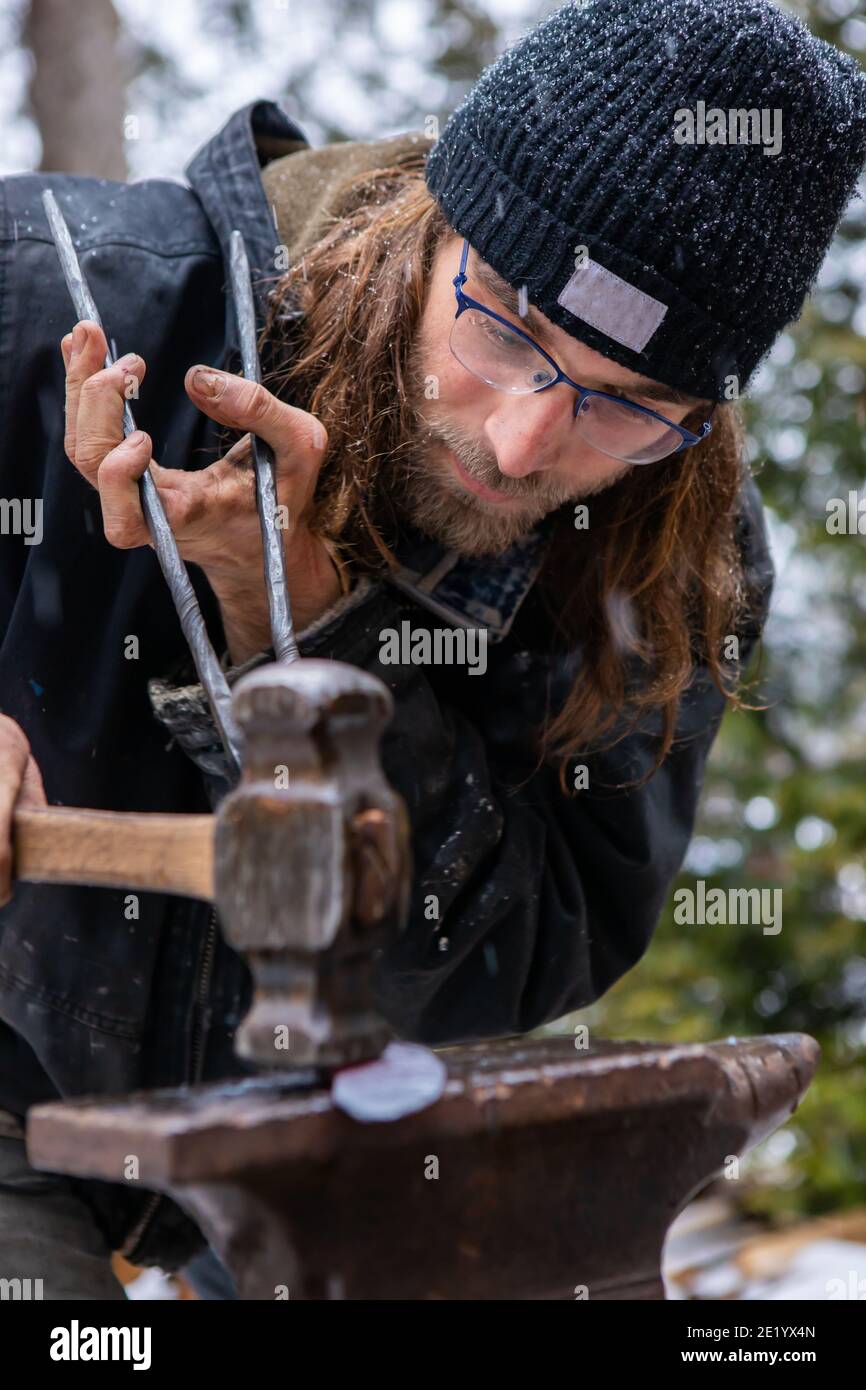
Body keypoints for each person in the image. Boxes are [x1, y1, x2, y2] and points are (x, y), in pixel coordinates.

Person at [0, 0, 864, 1298]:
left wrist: (300, 626)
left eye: (628, 405)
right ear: (426, 223)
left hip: (327, 1138)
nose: (524, 445)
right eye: (505, 329)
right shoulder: (61, 288)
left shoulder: (674, 563)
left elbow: (502, 974)